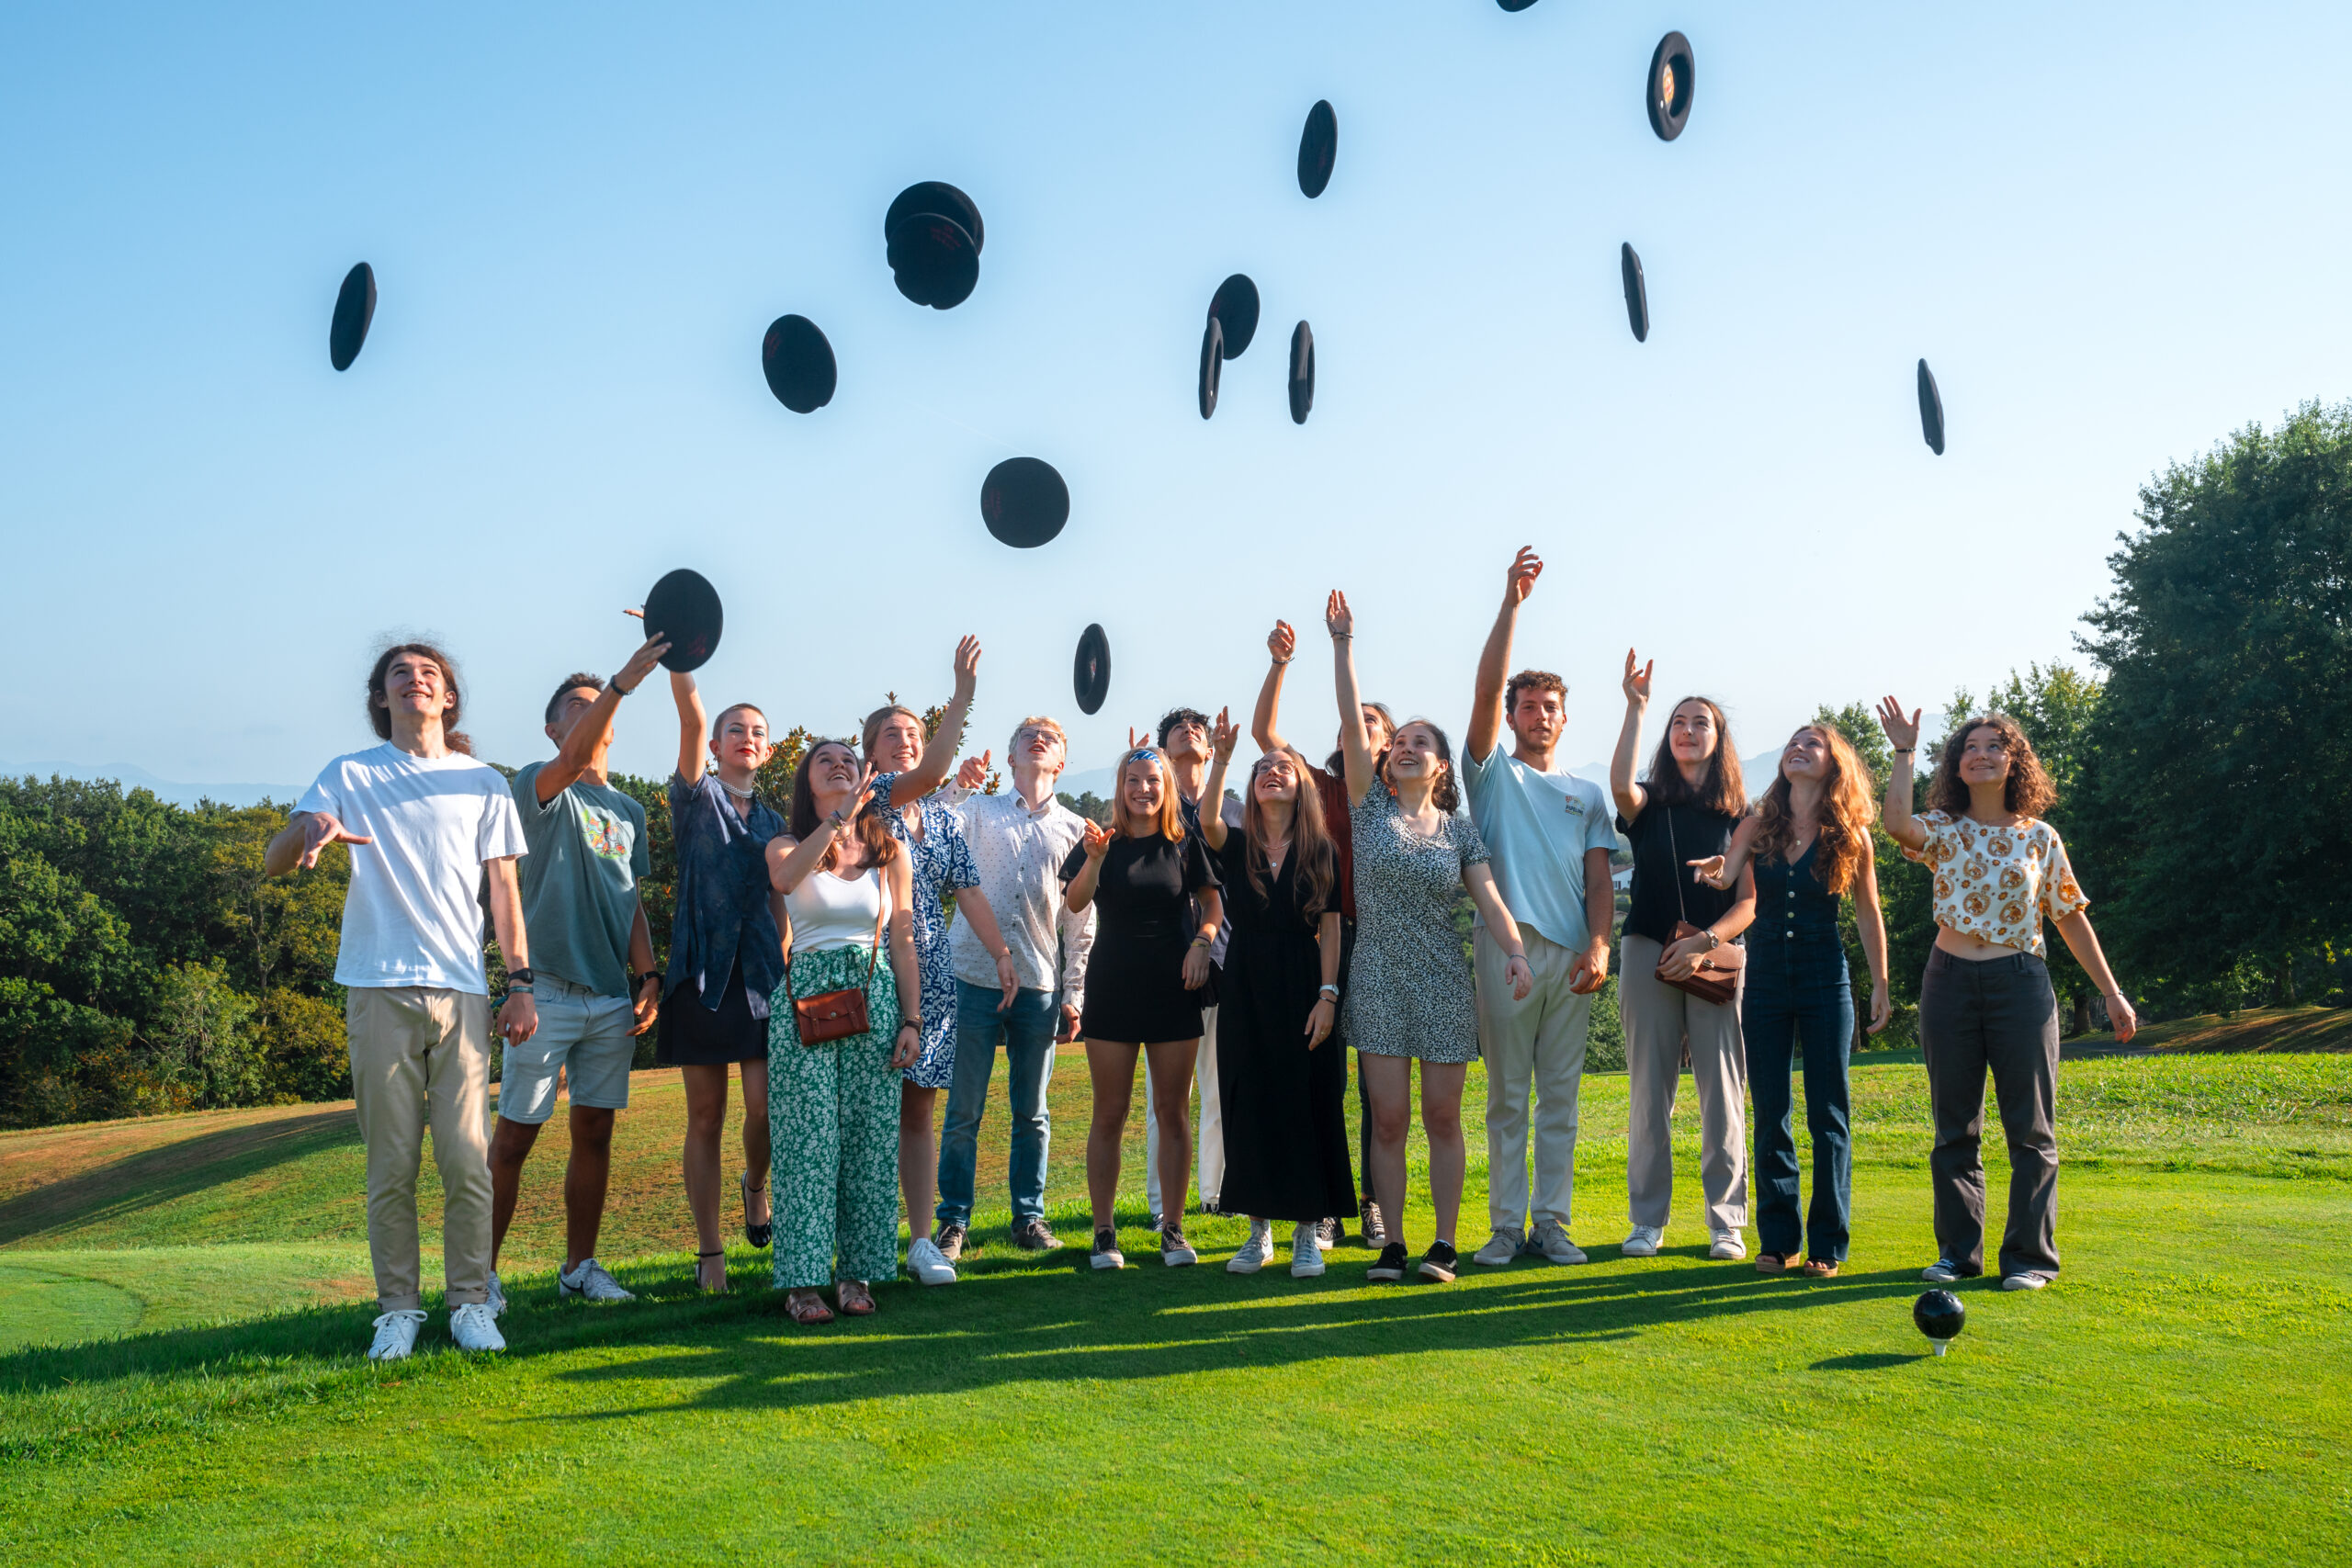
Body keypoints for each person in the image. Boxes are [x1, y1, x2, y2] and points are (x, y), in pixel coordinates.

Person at [265, 641, 534, 1361]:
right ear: (381, 698)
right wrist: (309, 831)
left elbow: (503, 891)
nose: (415, 681)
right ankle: (399, 1310)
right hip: (377, 985)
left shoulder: (484, 781)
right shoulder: (348, 772)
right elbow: (274, 858)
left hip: (463, 990)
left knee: (467, 1159)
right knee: (391, 1163)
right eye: (399, 674)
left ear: (448, 697)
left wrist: (521, 981)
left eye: (429, 674)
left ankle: (471, 1302)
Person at [1876, 700, 2137, 1291]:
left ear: (2014, 760)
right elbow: (1896, 825)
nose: (1981, 754)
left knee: (2031, 1130)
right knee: (1954, 1128)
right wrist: (1901, 751)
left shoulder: (2040, 838)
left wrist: (2113, 995)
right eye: (1970, 747)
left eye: (1995, 745)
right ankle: (1957, 1255)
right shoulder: (1945, 827)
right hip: (1948, 983)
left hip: (2021, 985)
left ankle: (2029, 1259)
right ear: (1957, 765)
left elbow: (2070, 918)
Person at [1326, 590, 1533, 1284]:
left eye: (1423, 742)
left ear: (1442, 765)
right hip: (1378, 974)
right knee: (1388, 1121)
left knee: (1443, 1117)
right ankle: (1391, 1244)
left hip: (1445, 978)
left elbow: (1490, 898)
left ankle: (1443, 1245)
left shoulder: (1460, 828)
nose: (1408, 748)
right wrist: (1343, 644)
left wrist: (1513, 951)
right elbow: (1354, 730)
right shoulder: (1366, 808)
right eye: (1400, 742)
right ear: (1386, 762)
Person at [485, 636, 671, 1312]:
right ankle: (481, 1273)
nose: (594, 717)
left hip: (610, 1000)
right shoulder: (536, 783)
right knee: (514, 1137)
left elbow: (631, 904)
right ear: (555, 726)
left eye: (602, 709)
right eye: (578, 708)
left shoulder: (629, 811)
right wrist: (622, 680)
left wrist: (648, 976)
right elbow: (572, 759)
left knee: (595, 1131)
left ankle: (579, 1267)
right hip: (546, 992)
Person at [1459, 548, 1620, 1270]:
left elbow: (1599, 881)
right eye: (1526, 706)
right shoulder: (1492, 775)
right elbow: (1487, 685)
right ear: (1512, 716)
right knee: (1507, 1099)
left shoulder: (1586, 794)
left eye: (1549, 706)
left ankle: (1551, 1223)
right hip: (1508, 949)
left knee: (1560, 1099)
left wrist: (1600, 945)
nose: (1538, 714)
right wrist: (1512, 605)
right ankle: (1503, 1228)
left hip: (1571, 960)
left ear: (1564, 715)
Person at [1691, 722, 1892, 1276]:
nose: (1798, 750)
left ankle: (1828, 1245)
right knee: (1771, 1111)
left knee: (1829, 1114)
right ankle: (1779, 1241)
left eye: (1813, 744)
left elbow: (1868, 913)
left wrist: (1880, 983)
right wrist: (1716, 871)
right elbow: (1730, 875)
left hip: (1826, 975)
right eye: (1793, 743)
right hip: (1767, 981)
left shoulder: (1851, 833)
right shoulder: (1757, 824)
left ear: (1834, 763)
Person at [860, 637, 1023, 1287]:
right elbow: (929, 774)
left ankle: (923, 1240)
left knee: (919, 1110)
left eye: (912, 731)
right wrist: (963, 695)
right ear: (870, 750)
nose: (903, 739)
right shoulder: (873, 800)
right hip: (877, 974)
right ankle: (865, 1237)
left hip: (934, 980)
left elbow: (970, 890)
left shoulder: (944, 820)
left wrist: (1003, 953)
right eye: (891, 733)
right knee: (872, 1108)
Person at [1252, 617, 1397, 1250]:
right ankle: (1330, 1202)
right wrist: (1282, 663)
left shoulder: (1396, 795)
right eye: (1349, 721)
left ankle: (1371, 1202)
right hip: (1328, 941)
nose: (1356, 728)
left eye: (1370, 723)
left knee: (1377, 1083)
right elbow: (1264, 735)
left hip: (1382, 939)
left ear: (1388, 743)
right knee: (1329, 1077)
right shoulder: (1320, 783)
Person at [765, 742, 922, 1325]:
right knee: (807, 1142)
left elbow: (902, 939)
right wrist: (836, 820)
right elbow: (784, 879)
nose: (839, 765)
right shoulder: (786, 844)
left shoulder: (889, 851)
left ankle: (855, 1274)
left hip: (873, 993)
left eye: (849, 761)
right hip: (804, 997)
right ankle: (803, 1284)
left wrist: (912, 1019)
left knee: (868, 1139)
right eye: (824, 760)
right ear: (808, 782)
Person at [1609, 652, 1756, 1262]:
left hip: (1715, 957)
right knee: (1650, 1094)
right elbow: (1619, 784)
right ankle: (1648, 1221)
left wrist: (1704, 943)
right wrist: (1636, 706)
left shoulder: (1740, 816)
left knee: (1722, 1093)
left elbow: (1748, 903)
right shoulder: (1648, 804)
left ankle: (1727, 1223)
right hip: (1647, 952)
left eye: (1701, 723)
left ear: (1718, 739)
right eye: (1679, 723)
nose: (1688, 731)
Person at [931, 718, 1094, 1262]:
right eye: (1027, 735)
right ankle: (953, 1222)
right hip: (971, 975)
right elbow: (926, 827)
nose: (1037, 739)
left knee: (1033, 1112)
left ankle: (1029, 1217)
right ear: (1011, 757)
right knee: (963, 1112)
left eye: (1048, 737)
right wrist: (958, 784)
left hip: (1040, 985)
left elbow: (1080, 920)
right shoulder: (977, 810)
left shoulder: (1075, 828)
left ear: (1060, 763)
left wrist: (1075, 992)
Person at [1196, 716, 1351, 1277]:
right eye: (1262, 769)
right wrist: (1223, 756)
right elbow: (1208, 819)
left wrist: (1328, 996)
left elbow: (1331, 929)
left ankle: (1308, 1232)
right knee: (1250, 1100)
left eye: (1283, 767)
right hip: (1246, 982)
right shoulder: (1236, 845)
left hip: (1306, 980)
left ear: (1301, 786)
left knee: (1309, 1101)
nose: (1272, 773)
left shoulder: (1321, 850)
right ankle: (1258, 1232)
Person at [1063, 745, 1225, 1269]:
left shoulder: (1184, 841)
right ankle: (1104, 1231)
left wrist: (1202, 942)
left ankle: (1173, 1230)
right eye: (1133, 780)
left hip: (1175, 987)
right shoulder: (1102, 841)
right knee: (1109, 1113)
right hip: (1112, 987)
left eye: (1152, 780)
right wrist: (1093, 858)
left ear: (1166, 786)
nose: (1143, 790)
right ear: (1121, 786)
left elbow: (1213, 904)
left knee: (1172, 1113)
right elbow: (1076, 902)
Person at [660, 671, 784, 1294]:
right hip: (701, 976)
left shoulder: (778, 819)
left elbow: (785, 901)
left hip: (763, 980)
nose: (745, 737)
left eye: (757, 731)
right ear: (715, 745)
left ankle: (755, 1186)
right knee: (705, 1115)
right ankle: (711, 1254)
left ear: (768, 750)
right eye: (734, 728)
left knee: (763, 1111)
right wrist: (681, 659)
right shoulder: (694, 797)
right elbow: (688, 717)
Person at [1138, 705, 1242, 1227]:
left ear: (1211, 748)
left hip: (1229, 958)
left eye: (1198, 729)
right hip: (1166, 964)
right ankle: (1162, 1205)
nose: (1190, 731)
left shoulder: (1238, 809)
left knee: (1221, 1086)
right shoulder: (1149, 806)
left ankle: (1214, 1194)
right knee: (1167, 1095)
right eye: (1178, 728)